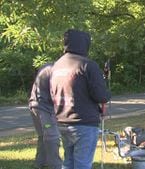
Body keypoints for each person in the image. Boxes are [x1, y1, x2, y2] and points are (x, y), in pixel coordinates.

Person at [50, 29, 111, 169]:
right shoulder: (87, 65)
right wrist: (108, 94)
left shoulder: (56, 65)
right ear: (85, 44)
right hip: (84, 123)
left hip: (62, 122)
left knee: (68, 162)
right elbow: (101, 96)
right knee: (82, 164)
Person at [29, 63, 62, 169]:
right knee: (53, 136)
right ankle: (56, 165)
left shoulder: (48, 67)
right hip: (43, 109)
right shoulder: (54, 71)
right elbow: (56, 95)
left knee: (43, 136)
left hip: (35, 106)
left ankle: (41, 162)